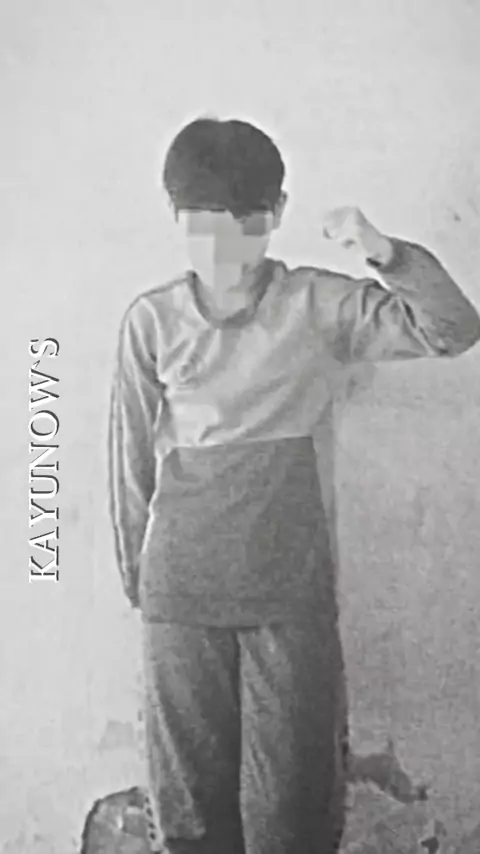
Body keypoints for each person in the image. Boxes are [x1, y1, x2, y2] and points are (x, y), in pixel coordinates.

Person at [108, 117, 480, 854]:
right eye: (205, 229)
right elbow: (128, 460)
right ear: (175, 218)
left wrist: (385, 253)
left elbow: (452, 329)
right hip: (181, 597)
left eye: (245, 227)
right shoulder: (152, 322)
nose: (226, 251)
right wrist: (136, 580)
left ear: (277, 213)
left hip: (289, 592)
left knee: (295, 808)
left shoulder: (316, 305)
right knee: (191, 810)